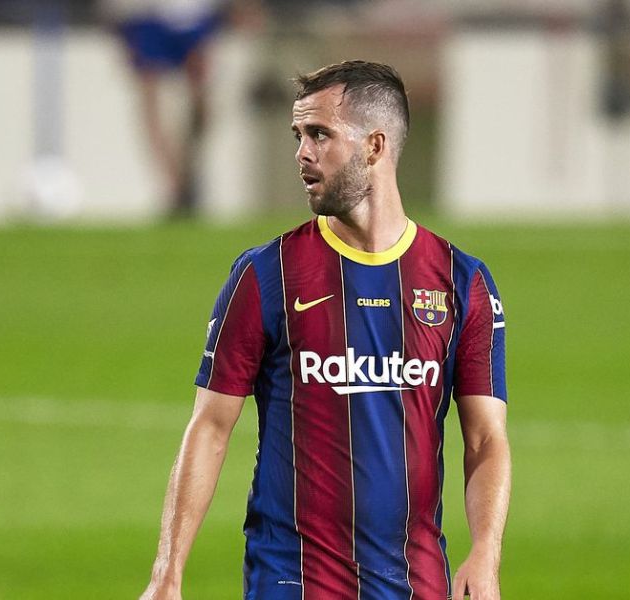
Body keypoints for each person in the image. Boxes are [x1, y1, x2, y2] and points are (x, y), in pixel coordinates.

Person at [140, 61, 511, 600]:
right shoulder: (266, 275)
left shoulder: (461, 282)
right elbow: (211, 426)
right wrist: (167, 572)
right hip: (291, 579)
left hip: (414, 581)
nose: (301, 153)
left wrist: (485, 553)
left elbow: (485, 438)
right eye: (299, 134)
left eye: (319, 134)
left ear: (375, 146)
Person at [102, 0, 262, 217]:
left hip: (195, 15)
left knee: (201, 103)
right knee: (153, 104)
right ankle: (175, 187)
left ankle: (189, 171)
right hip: (144, 15)